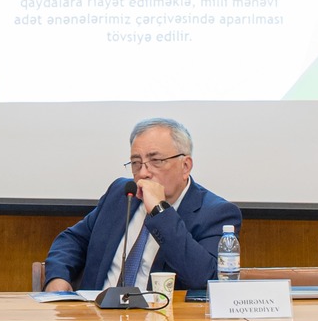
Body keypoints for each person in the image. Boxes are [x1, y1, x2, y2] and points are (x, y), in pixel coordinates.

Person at [42, 118, 241, 292]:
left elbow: (203, 279)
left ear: (185, 166)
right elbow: (73, 239)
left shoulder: (216, 213)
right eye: (136, 163)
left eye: (156, 161)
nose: (143, 173)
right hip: (96, 315)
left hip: (161, 319)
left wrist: (160, 211)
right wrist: (58, 277)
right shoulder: (121, 194)